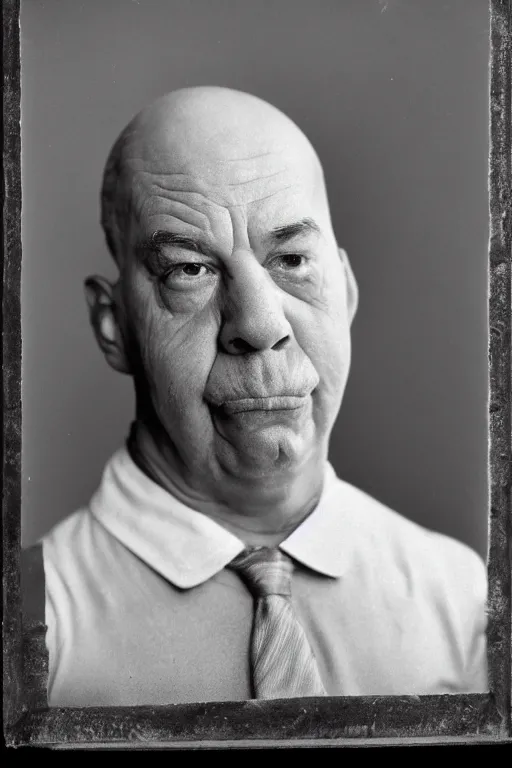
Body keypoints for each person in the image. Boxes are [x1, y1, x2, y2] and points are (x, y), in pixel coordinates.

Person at [22, 86, 488, 707]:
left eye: (293, 258)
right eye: (189, 269)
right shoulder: (29, 627)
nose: (261, 324)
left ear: (344, 291)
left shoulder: (461, 602)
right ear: (114, 326)